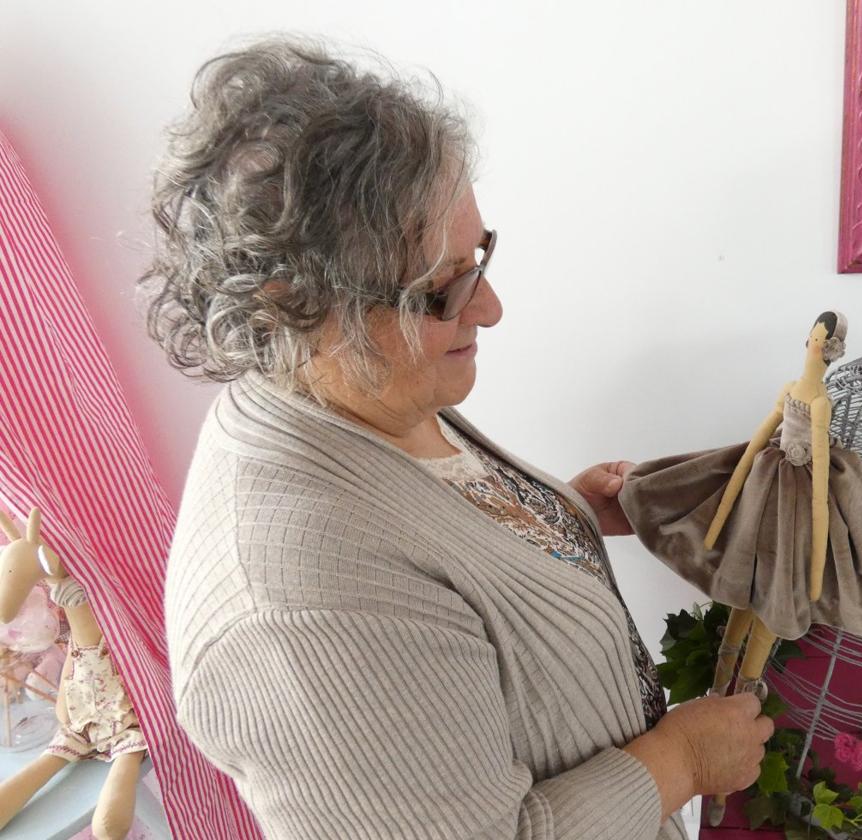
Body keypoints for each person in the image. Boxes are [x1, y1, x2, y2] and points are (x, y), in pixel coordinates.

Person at [146, 36, 772, 839]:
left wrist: (560, 515)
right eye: (441, 290)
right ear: (291, 304)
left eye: (478, 257)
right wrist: (678, 763)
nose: (489, 307)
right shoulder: (295, 609)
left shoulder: (363, 394)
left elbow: (445, 568)